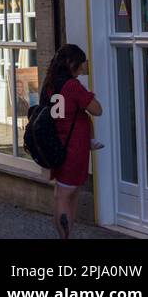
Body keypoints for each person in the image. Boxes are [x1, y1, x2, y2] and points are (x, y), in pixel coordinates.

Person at [41, 44, 102, 240]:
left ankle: (67, 235)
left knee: (66, 193)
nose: (82, 70)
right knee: (64, 195)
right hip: (73, 147)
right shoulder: (72, 86)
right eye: (80, 64)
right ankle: (65, 237)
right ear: (70, 63)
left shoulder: (50, 84)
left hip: (56, 145)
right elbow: (97, 109)